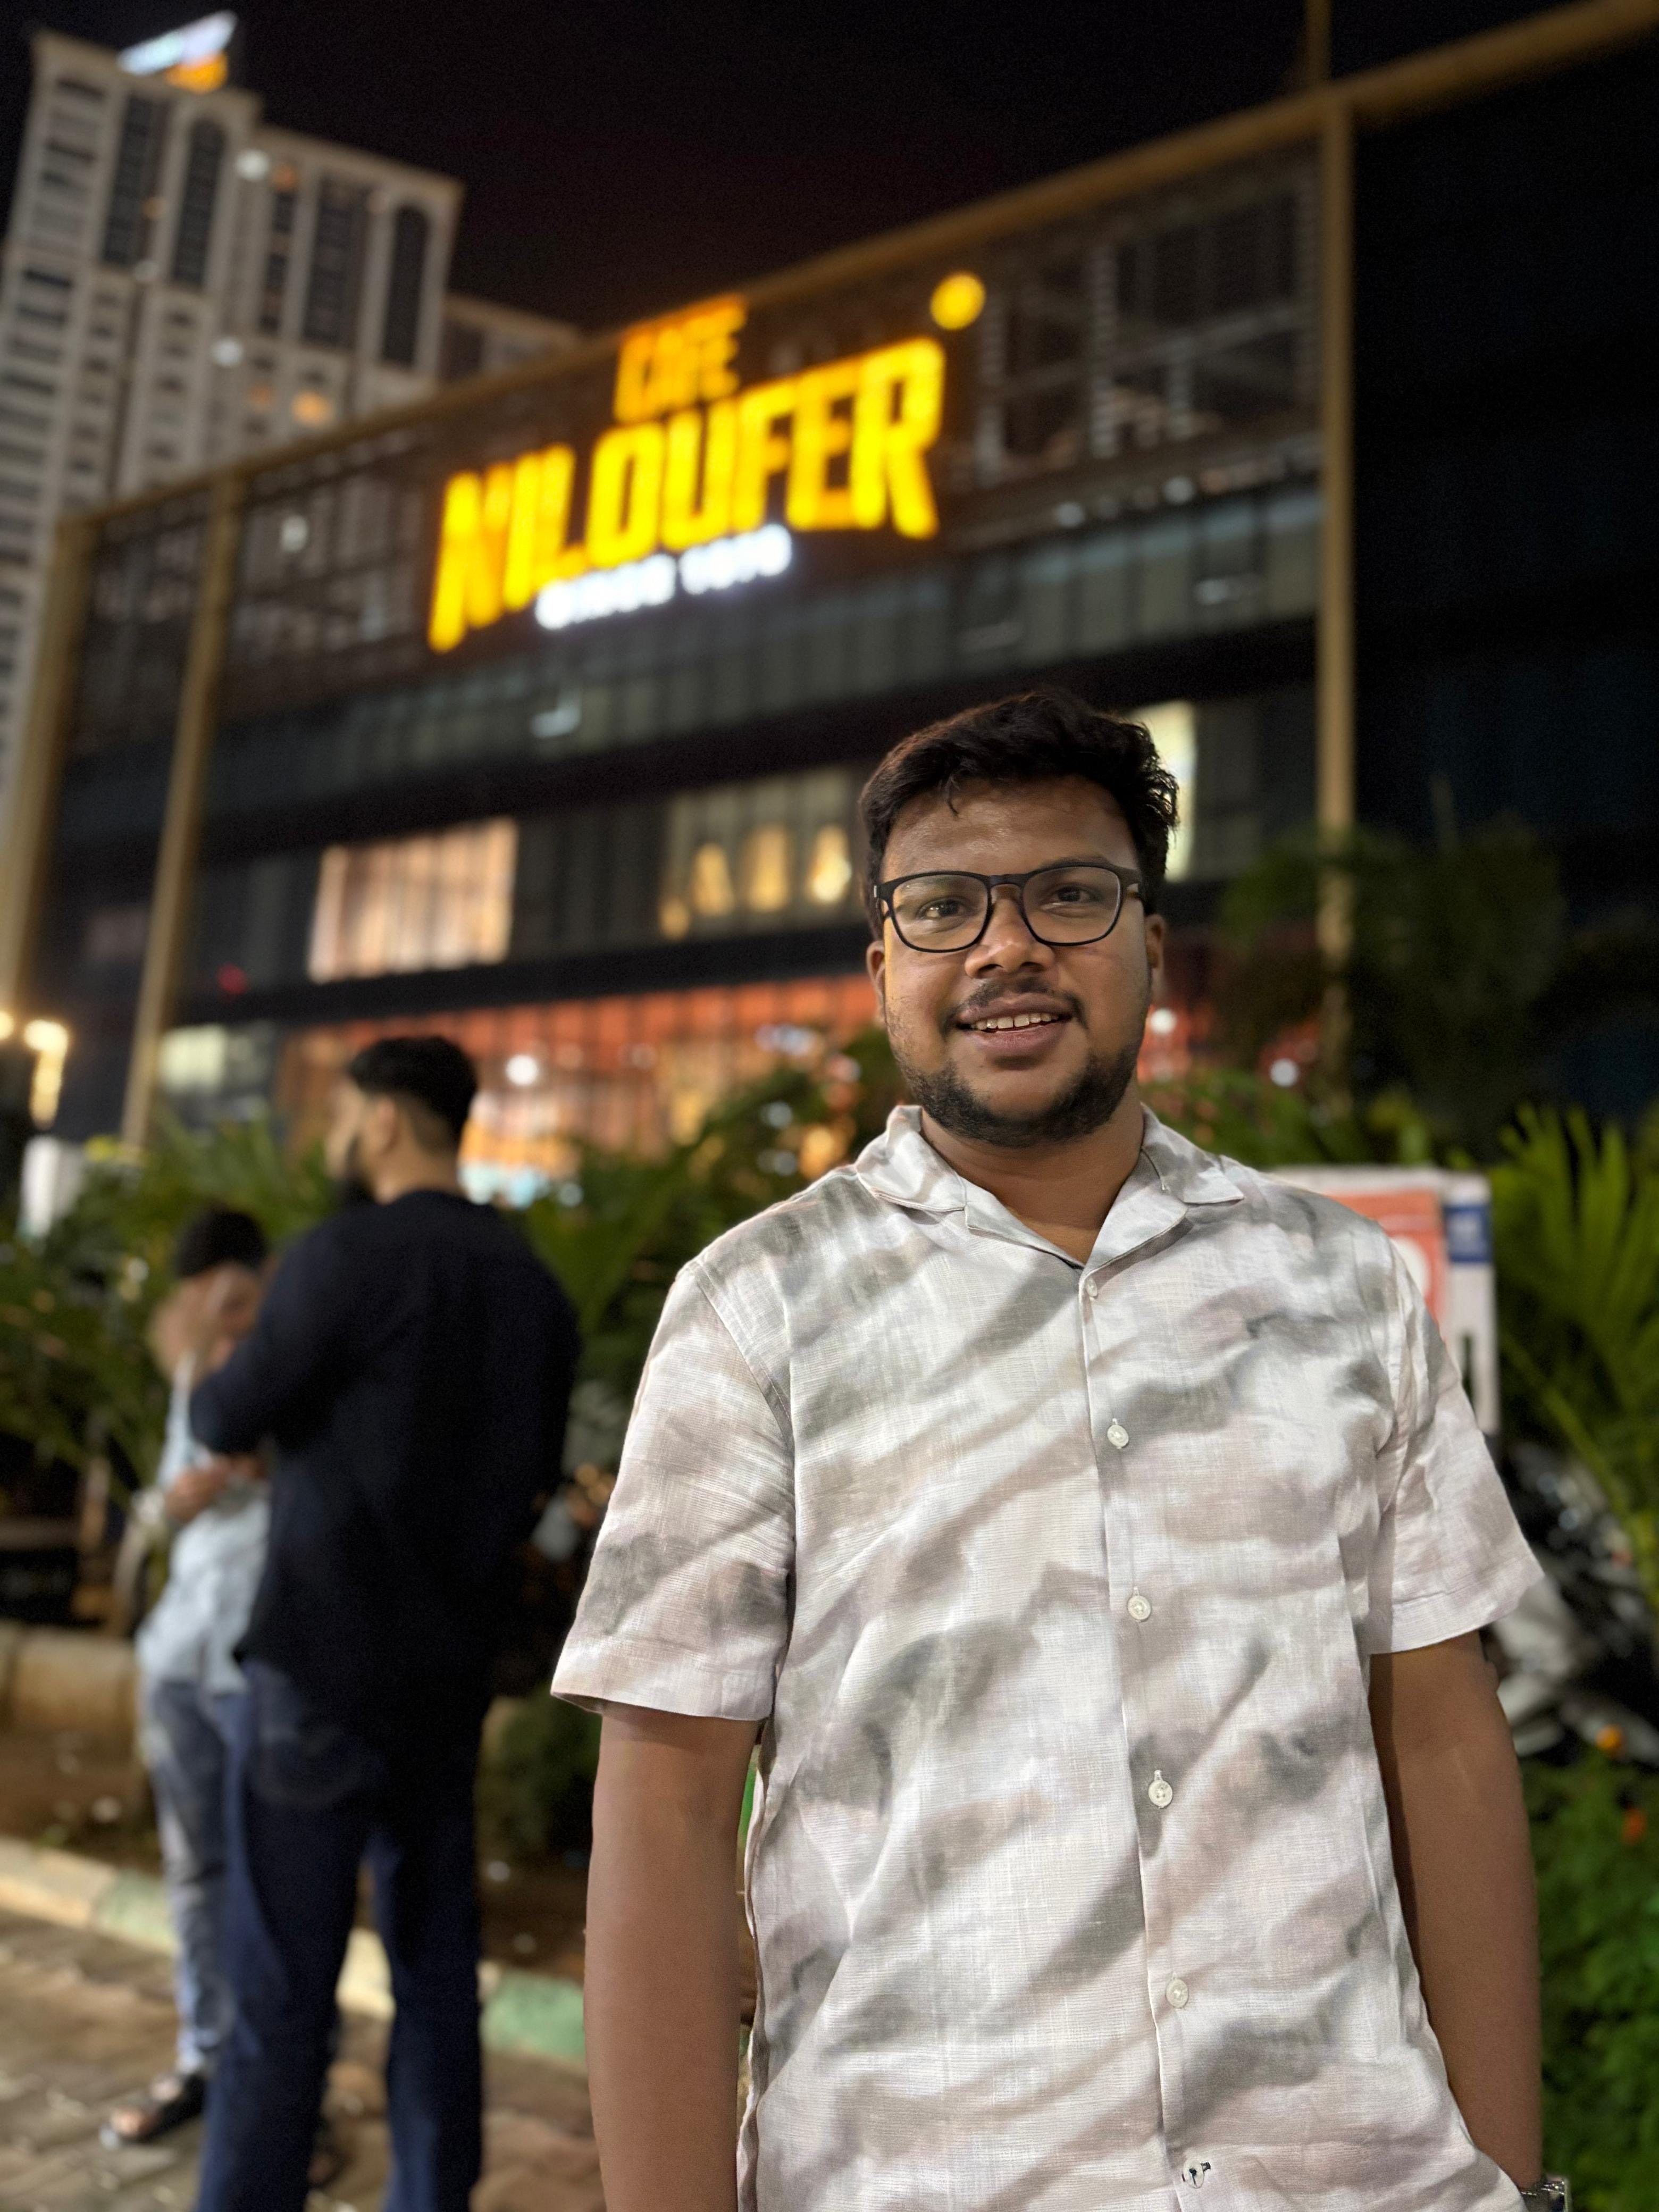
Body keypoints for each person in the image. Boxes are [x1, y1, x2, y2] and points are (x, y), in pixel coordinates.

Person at [555, 689, 1565, 2212]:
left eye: (1071, 896)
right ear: (883, 961)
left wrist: (1511, 2181)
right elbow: (665, 1806)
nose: (1007, 947)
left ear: (1154, 942)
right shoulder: (759, 1310)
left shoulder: (1342, 1289)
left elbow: (1441, 1734)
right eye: (945, 906)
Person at [189, 1035, 580, 2212]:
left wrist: (226, 1363)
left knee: (281, 1992)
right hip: (448, 1677)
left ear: (382, 1121)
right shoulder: (536, 1292)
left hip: (320, 1664)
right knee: (434, 1976)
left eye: (346, 1112)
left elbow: (224, 1414)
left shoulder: (345, 1255)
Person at [103, 1209, 269, 2152]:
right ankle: (204, 2055)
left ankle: (280, 2083)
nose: (225, 1318)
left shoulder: (295, 1371)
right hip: (180, 1655)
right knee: (195, 1876)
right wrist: (181, 1496)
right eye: (213, 1304)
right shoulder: (188, 1376)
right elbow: (161, 1504)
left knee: (269, 1883)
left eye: (241, 1300)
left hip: (256, 1665)